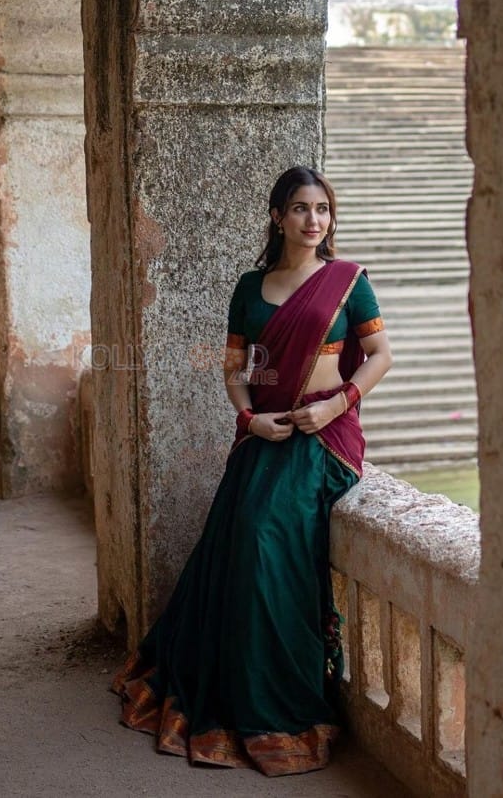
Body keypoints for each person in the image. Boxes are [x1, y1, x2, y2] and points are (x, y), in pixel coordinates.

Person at [111, 166, 392, 776]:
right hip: (267, 432)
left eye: (322, 208)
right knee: (235, 540)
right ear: (276, 216)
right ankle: (237, 685)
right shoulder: (250, 287)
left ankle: (284, 702)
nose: (313, 220)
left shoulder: (347, 283)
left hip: (325, 438)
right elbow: (237, 369)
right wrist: (249, 421)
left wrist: (333, 404)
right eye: (299, 208)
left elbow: (380, 356)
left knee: (267, 535)